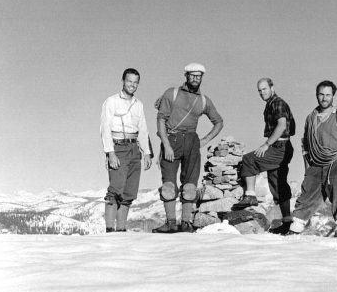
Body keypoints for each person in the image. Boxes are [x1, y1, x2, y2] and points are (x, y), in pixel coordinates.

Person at [153, 63, 223, 233]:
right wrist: (166, 145)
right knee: (168, 185)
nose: (195, 79)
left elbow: (218, 122)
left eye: (198, 76)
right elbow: (161, 119)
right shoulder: (172, 93)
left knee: (190, 186)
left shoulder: (204, 100)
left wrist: (205, 139)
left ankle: (185, 224)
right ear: (186, 76)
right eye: (192, 75)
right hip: (172, 139)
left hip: (192, 141)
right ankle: (170, 223)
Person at [288, 80, 337, 235]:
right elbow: (305, 142)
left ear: (333, 96)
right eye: (321, 94)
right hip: (315, 162)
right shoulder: (311, 118)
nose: (324, 98)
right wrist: (307, 165)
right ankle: (298, 224)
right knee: (308, 192)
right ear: (316, 95)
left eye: (328, 95)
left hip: (335, 160)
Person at [232, 78, 295, 235]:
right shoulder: (271, 104)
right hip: (283, 146)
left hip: (279, 147)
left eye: (264, 89)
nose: (262, 93)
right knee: (277, 183)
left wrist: (267, 144)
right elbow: (291, 128)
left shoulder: (277, 103)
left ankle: (250, 195)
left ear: (272, 87)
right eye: (259, 90)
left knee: (249, 159)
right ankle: (287, 221)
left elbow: (282, 125)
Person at [100, 68, 153, 232]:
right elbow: (105, 128)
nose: (132, 85)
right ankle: (110, 230)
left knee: (129, 191)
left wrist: (147, 153)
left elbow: (143, 130)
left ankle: (121, 230)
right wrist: (110, 153)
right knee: (116, 189)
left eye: (135, 82)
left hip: (134, 148)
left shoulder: (139, 104)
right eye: (129, 81)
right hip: (118, 147)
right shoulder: (111, 101)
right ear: (123, 81)